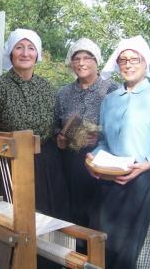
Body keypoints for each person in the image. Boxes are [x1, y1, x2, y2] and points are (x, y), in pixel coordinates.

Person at [87, 35, 150, 269]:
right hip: (109, 183)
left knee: (134, 253)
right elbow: (103, 142)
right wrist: (94, 159)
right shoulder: (110, 101)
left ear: (146, 63)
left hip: (141, 184)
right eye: (123, 60)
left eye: (135, 59)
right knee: (107, 246)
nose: (128, 64)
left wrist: (145, 164)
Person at [0, 28, 70, 221]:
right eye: (19, 47)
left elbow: (54, 127)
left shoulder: (47, 89)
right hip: (9, 166)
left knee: (45, 222)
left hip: (45, 167)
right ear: (10, 52)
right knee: (15, 222)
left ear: (37, 54)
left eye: (31, 48)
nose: (25, 53)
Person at [54, 38, 118, 232]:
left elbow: (120, 128)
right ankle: (73, 257)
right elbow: (55, 124)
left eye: (87, 58)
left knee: (99, 215)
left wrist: (99, 138)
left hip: (101, 161)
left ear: (97, 61)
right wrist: (59, 136)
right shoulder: (63, 93)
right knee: (72, 212)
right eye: (77, 58)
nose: (81, 63)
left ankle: (97, 257)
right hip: (70, 162)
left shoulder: (112, 90)